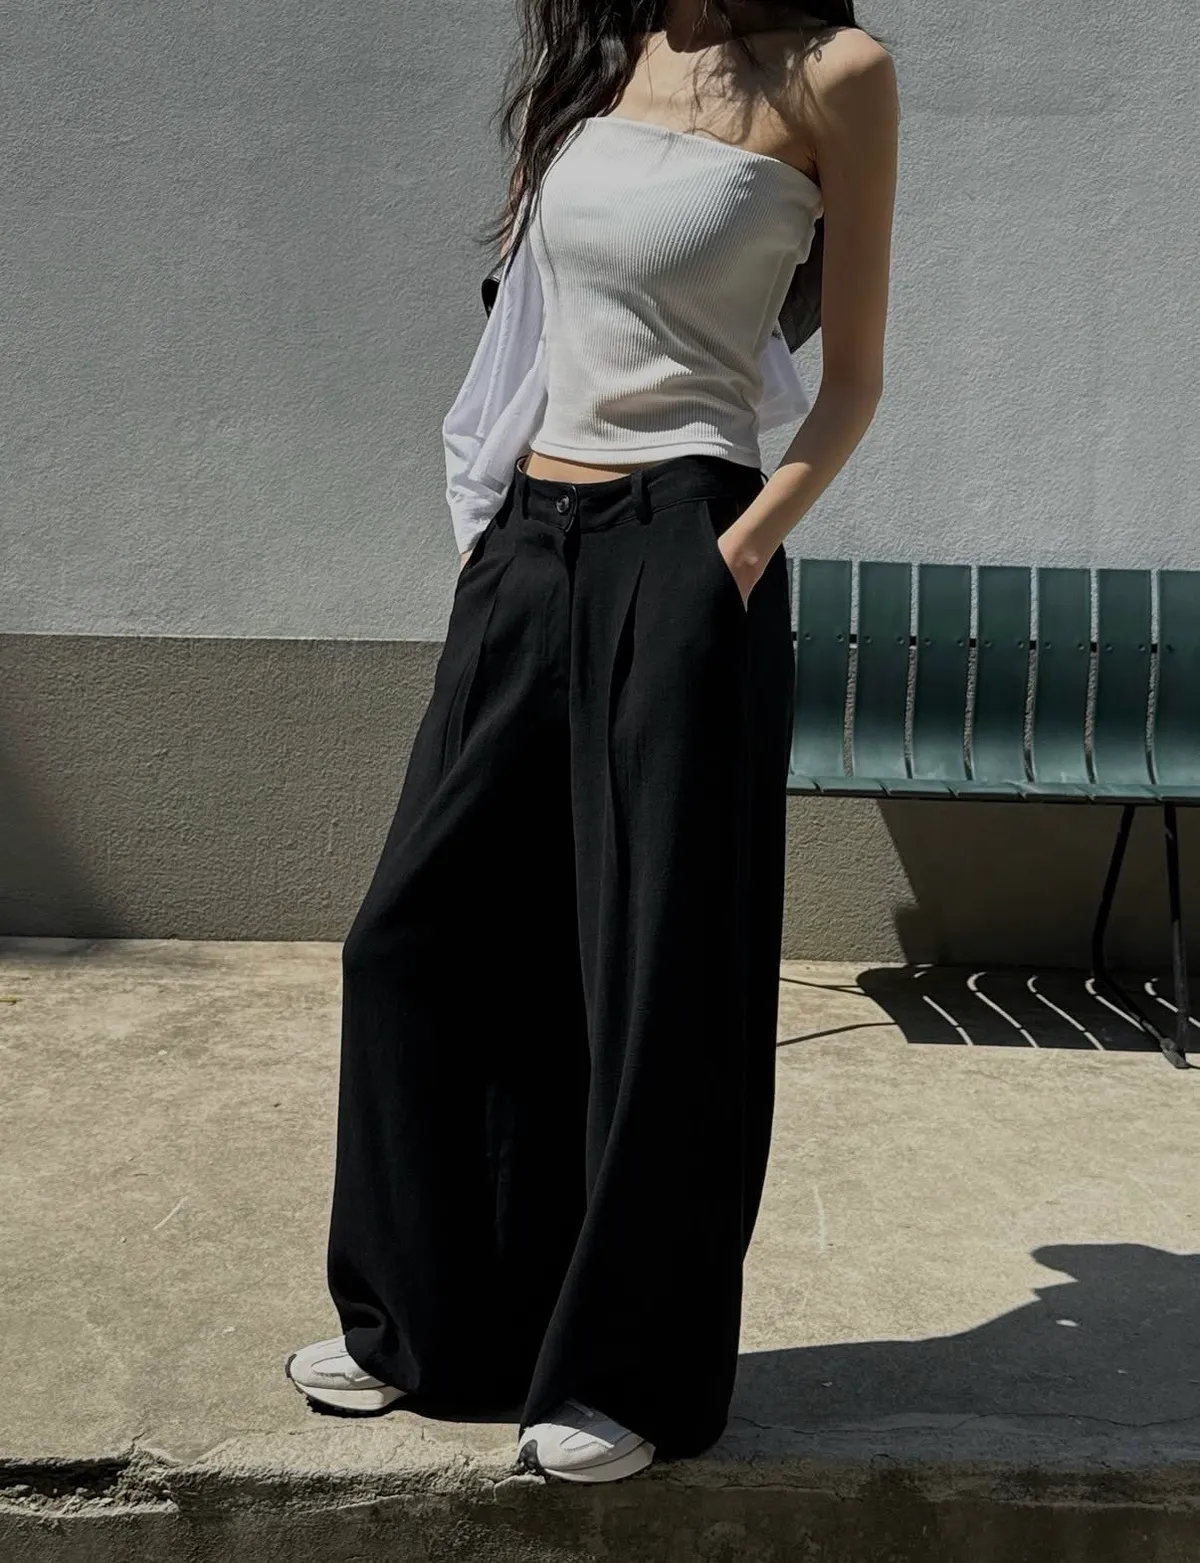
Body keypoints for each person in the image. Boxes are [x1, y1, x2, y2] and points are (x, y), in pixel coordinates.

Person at [286, 0, 899, 1484]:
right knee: (416, 937)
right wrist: (493, 540)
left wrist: (732, 558)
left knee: (660, 973)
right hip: (531, 540)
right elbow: (539, 324)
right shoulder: (604, 62)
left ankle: (629, 1375)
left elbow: (854, 380)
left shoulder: (837, 74)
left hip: (685, 537)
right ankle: (430, 1324)